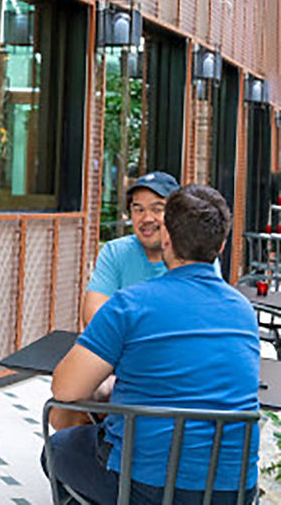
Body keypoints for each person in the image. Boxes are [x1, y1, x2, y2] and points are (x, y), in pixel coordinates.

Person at [44, 184, 258, 505]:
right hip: (233, 491)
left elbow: (64, 389)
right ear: (222, 245)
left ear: (167, 238)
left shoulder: (131, 304)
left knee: (59, 448)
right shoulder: (243, 311)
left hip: (146, 484)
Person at [82, 171, 179, 325]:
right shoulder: (115, 252)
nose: (146, 219)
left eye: (157, 209)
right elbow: (93, 316)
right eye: (139, 210)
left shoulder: (193, 253)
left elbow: (205, 317)